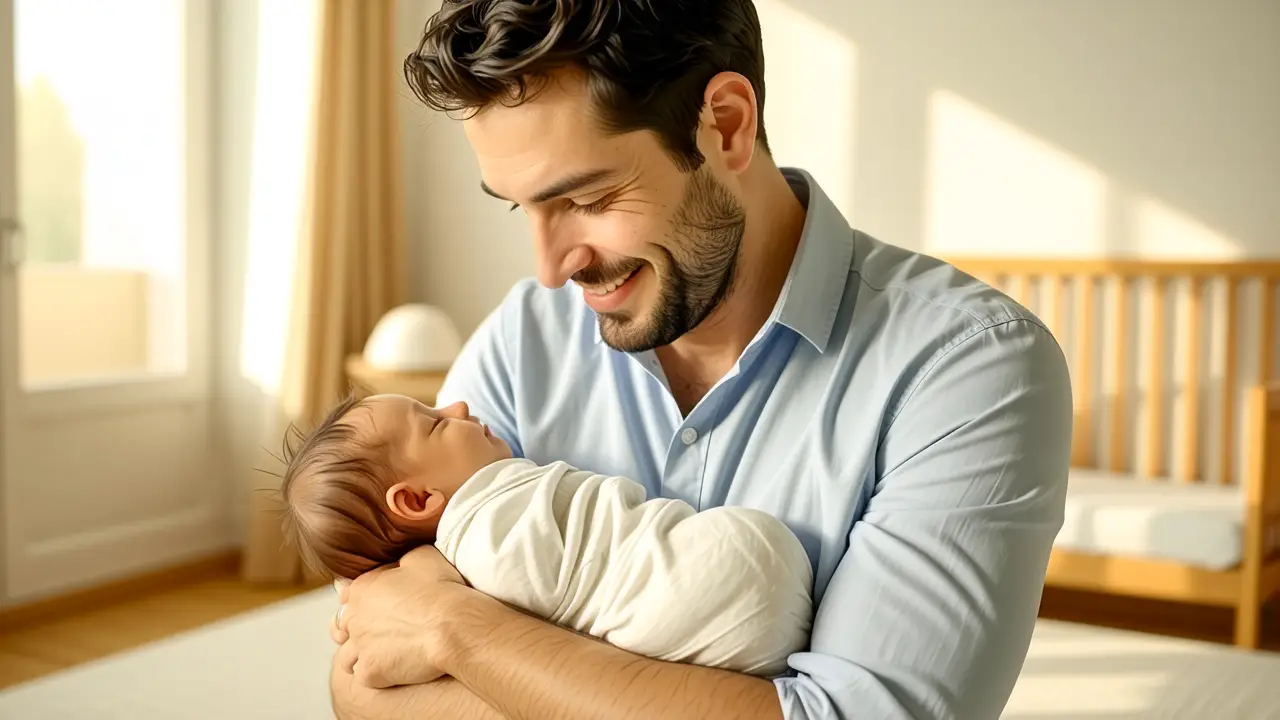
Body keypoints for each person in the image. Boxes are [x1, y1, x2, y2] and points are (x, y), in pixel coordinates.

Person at [329, 0, 1073, 718]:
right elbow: (365, 683)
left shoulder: (968, 368)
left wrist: (460, 632)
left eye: (587, 199)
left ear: (726, 125)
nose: (552, 269)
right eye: (520, 206)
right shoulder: (526, 338)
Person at [280, 392, 812, 676]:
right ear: (418, 501)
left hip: (728, 600)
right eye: (436, 422)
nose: (458, 406)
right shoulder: (485, 543)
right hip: (727, 568)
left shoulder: (454, 569)